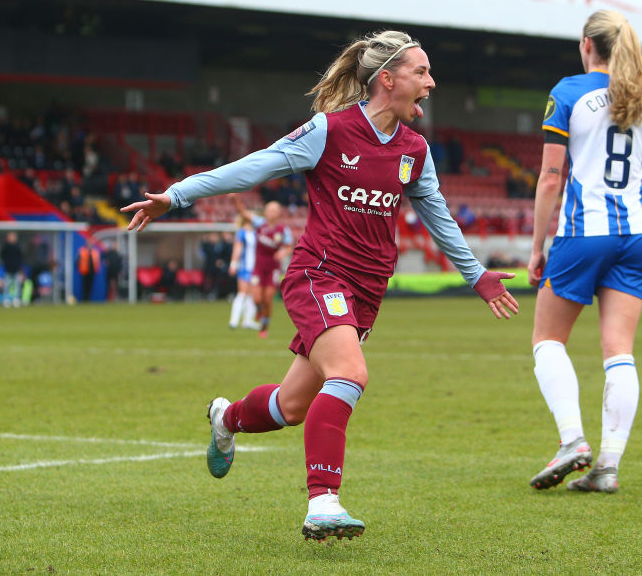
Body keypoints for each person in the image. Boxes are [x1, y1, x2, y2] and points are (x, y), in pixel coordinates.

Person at [122, 29, 518, 542]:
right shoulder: (328, 131)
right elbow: (251, 169)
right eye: (422, 72)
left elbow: (439, 217)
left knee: (291, 406)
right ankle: (323, 502)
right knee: (350, 373)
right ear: (387, 79)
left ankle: (227, 418)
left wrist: (477, 275)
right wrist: (175, 196)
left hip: (368, 290)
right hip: (319, 274)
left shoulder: (415, 150)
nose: (431, 82)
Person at [527, 10, 642, 495]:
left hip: (584, 231)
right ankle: (607, 465)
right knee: (619, 351)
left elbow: (550, 177)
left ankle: (572, 442)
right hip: (638, 236)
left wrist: (536, 247)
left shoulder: (568, 92)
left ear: (588, 44)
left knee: (547, 339)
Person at [234, 197, 293, 338]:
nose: (271, 213)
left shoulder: (283, 230)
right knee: (256, 298)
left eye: (274, 210)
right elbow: (243, 213)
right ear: (265, 212)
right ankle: (260, 312)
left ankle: (264, 326)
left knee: (267, 299)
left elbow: (289, 246)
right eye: (269, 210)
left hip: (273, 269)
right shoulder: (259, 224)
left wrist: (283, 252)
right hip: (258, 268)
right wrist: (235, 199)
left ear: (279, 213)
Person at [226, 211, 260, 330]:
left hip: (255, 268)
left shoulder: (256, 232)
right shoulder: (241, 233)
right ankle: (234, 320)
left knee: (252, 295)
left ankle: (248, 321)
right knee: (242, 293)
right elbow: (237, 249)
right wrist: (233, 264)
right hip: (245, 267)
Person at [0, 231, 24, 308]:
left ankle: (16, 300)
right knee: (6, 285)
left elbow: (21, 258)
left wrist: (19, 268)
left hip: (16, 269)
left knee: (17, 285)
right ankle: (6, 300)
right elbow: (1, 256)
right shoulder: (5, 247)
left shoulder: (17, 247)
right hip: (8, 269)